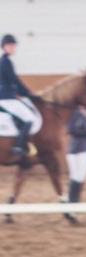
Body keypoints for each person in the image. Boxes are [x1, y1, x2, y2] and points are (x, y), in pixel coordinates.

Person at [0, 34, 37, 162]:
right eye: (10, 46)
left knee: (22, 118)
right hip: (7, 98)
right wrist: (29, 94)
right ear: (4, 47)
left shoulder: (6, 61)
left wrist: (26, 93)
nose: (13, 48)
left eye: (14, 45)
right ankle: (19, 147)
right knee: (30, 118)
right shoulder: (6, 62)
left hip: (7, 97)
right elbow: (14, 81)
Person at [64, 105, 86, 223]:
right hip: (81, 150)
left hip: (78, 150)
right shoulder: (77, 113)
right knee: (78, 179)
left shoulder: (85, 113)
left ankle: (70, 206)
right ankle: (72, 207)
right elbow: (71, 129)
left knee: (77, 179)